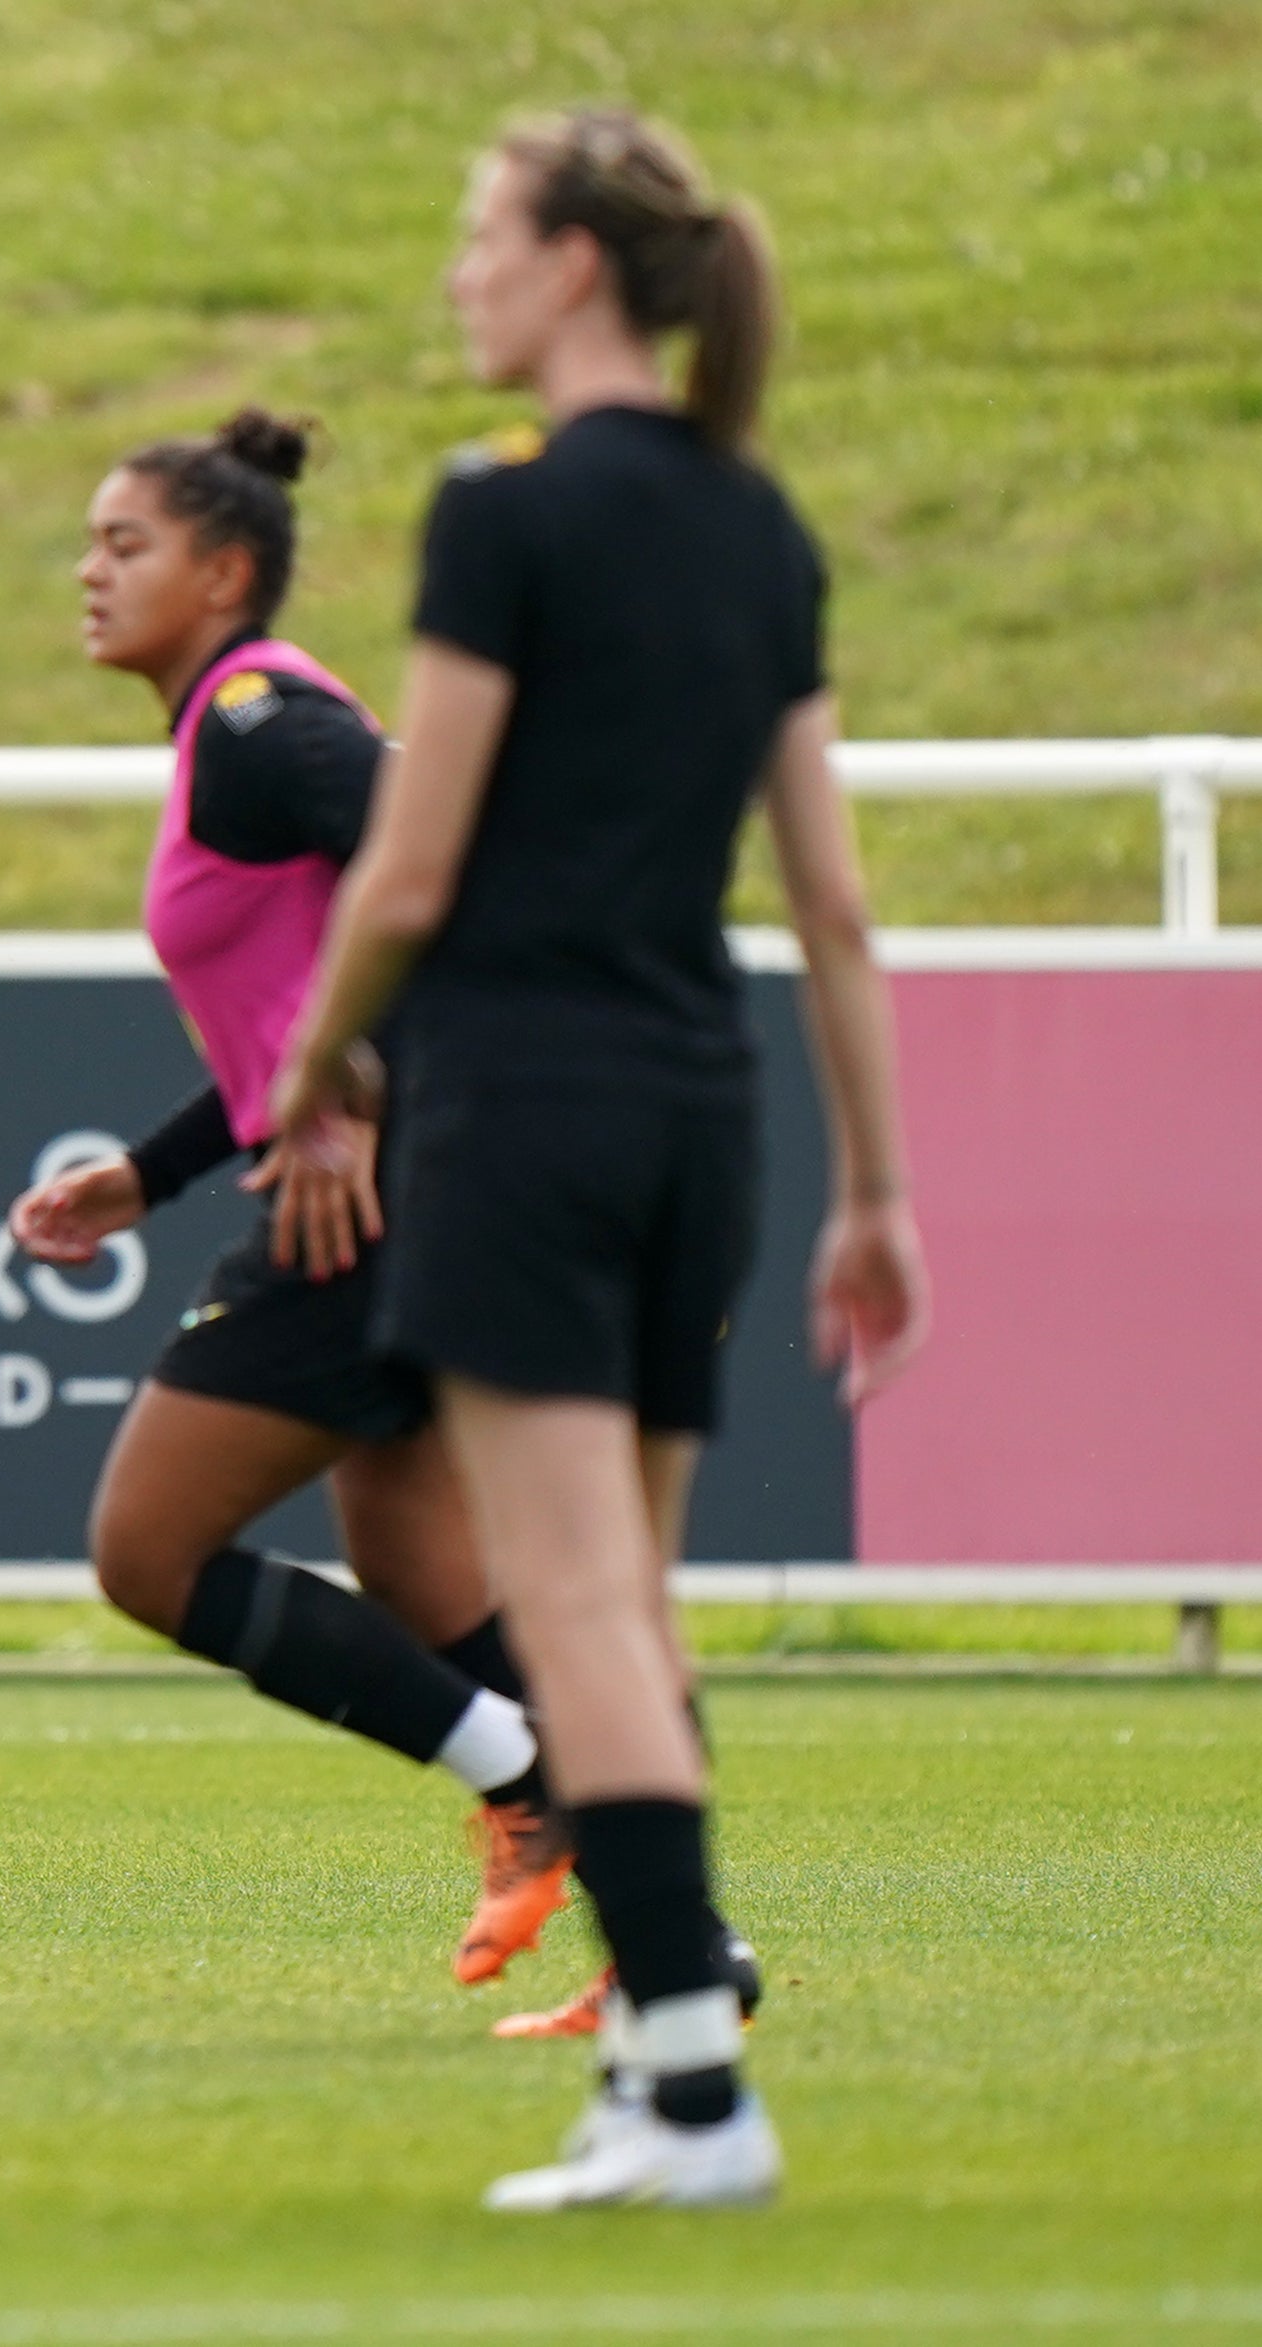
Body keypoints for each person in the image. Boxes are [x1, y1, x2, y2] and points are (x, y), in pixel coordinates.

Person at [264, 111, 928, 2211]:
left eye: (477, 237)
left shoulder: (505, 514)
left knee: (576, 1620)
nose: (457, 275)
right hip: (700, 1111)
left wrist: (312, 1054)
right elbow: (829, 901)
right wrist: (878, 1189)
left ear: (569, 269)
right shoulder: (759, 521)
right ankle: (665, 2065)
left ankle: (696, 2101)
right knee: (625, 1608)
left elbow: (417, 852)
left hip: (529, 1105)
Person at [4, 409, 568, 1987]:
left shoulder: (257, 715)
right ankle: (665, 1925)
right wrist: (155, 1169)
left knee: (147, 1548)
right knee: (410, 1556)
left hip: (395, 1199)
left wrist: (361, 1092)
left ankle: (540, 1787)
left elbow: (440, 857)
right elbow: (299, 1003)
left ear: (225, 569)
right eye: (91, 541)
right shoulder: (229, 729)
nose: (89, 572)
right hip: (424, 1184)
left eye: (127, 546)